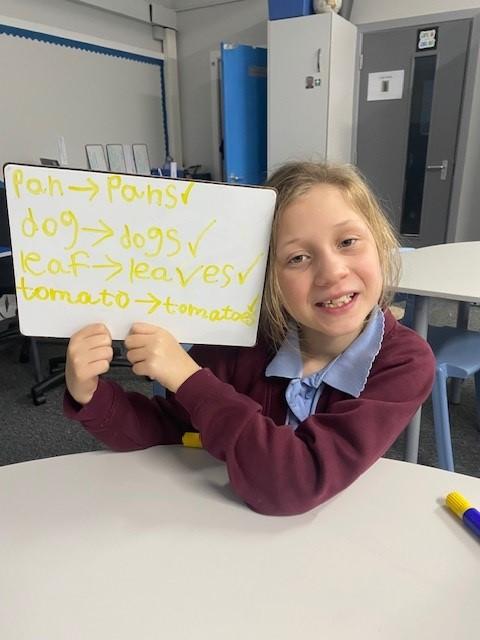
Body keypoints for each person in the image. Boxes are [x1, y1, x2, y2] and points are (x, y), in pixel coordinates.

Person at [64, 162, 435, 516]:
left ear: (380, 243)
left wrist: (190, 380)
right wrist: (90, 394)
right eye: (298, 258)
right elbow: (167, 428)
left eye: (348, 241)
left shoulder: (404, 362)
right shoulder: (239, 346)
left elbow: (294, 482)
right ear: (266, 275)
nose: (332, 271)